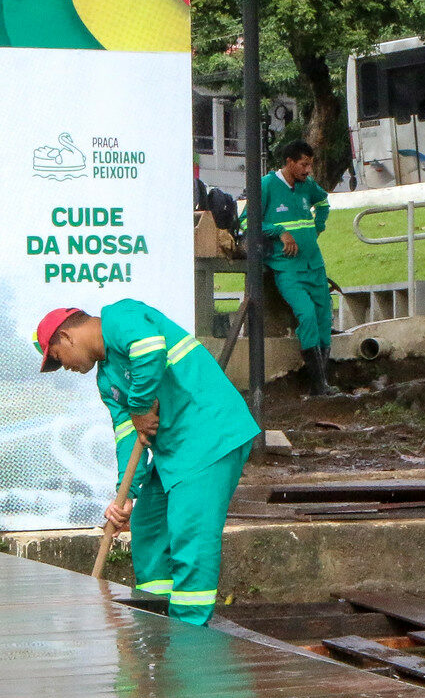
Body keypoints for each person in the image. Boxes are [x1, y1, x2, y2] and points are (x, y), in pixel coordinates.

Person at [34, 300, 259, 626]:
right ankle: (156, 621)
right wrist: (123, 497)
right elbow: (128, 439)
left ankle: (187, 633)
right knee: (148, 529)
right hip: (174, 451)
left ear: (67, 337)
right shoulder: (106, 380)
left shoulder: (120, 316)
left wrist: (139, 407)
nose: (64, 367)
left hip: (208, 435)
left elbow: (150, 350)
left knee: (190, 538)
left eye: (57, 359)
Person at [260, 139, 338, 397]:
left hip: (314, 266)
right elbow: (249, 223)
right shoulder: (267, 185)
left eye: (310, 165)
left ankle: (322, 384)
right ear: (289, 162)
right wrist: (280, 232)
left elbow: (323, 202)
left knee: (324, 317)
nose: (307, 170)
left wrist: (319, 226)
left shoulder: (308, 186)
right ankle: (316, 384)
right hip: (288, 269)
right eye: (303, 165)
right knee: (306, 315)